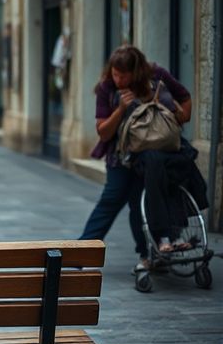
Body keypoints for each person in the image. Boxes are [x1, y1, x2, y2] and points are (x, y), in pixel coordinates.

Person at [79, 45, 191, 272]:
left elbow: (184, 97)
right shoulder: (107, 87)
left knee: (139, 204)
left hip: (153, 155)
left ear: (136, 72)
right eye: (115, 74)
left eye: (123, 75)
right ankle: (81, 251)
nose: (118, 80)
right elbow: (103, 132)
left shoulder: (156, 75)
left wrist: (175, 120)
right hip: (120, 157)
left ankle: (149, 254)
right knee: (111, 200)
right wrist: (121, 109)